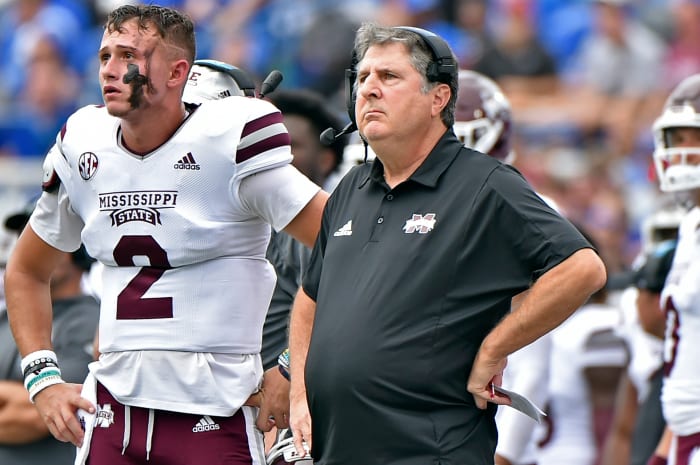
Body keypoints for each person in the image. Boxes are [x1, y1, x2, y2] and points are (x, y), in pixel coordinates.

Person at [3, 5, 328, 465]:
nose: (111, 70)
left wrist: (293, 366)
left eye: (129, 56)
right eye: (105, 56)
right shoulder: (85, 143)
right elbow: (26, 270)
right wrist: (42, 378)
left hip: (216, 412)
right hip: (112, 413)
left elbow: (347, 245)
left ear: (178, 72)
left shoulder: (228, 140)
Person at [287, 23, 607, 465]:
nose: (369, 90)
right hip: (339, 448)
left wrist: (496, 347)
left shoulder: (485, 184)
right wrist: (301, 395)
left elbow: (582, 268)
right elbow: (310, 298)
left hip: (428, 449)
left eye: (389, 77)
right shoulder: (350, 187)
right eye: (362, 78)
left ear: (438, 98)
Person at [1, 198, 99, 465]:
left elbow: (44, 413)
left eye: (45, 236)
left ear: (78, 249)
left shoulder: (93, 322)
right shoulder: (3, 317)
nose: (27, 248)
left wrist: (31, 397)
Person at [646, 73, 700, 465]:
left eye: (694, 138)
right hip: (684, 429)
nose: (683, 152)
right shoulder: (691, 224)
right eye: (677, 139)